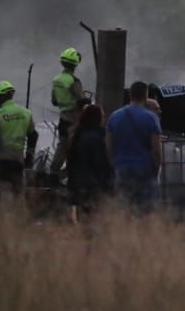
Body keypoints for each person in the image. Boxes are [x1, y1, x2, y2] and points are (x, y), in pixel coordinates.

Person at [106, 80, 162, 209]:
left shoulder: (114, 117)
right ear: (146, 96)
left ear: (130, 95)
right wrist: (156, 170)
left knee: (124, 208)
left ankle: (126, 229)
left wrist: (114, 165)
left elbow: (109, 147)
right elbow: (156, 150)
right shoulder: (151, 118)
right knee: (146, 210)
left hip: (122, 169)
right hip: (145, 170)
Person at [65, 103, 114, 216]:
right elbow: (101, 163)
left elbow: (71, 164)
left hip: (79, 186)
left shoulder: (77, 135)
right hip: (96, 186)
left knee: (84, 220)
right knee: (97, 222)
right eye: (102, 116)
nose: (104, 118)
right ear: (97, 118)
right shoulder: (99, 137)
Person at [0, 81, 37, 196]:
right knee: (19, 195)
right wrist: (29, 156)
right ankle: (19, 213)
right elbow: (33, 135)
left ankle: (3, 214)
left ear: (3, 96)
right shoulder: (26, 113)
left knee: (3, 195)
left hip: (2, 161)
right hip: (19, 161)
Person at [49, 48, 88, 174]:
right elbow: (81, 99)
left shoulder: (56, 80)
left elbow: (54, 101)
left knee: (62, 146)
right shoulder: (73, 81)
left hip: (63, 118)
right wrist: (87, 102)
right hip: (74, 119)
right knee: (75, 148)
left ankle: (53, 173)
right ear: (75, 64)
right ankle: (72, 175)